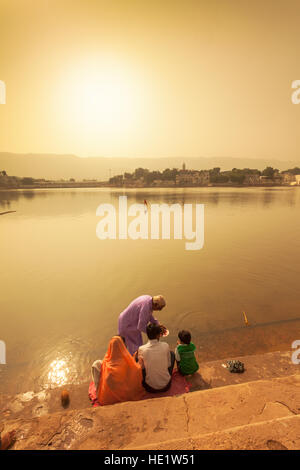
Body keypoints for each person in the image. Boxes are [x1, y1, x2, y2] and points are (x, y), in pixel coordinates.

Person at [91, 335, 145, 406]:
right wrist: (140, 362)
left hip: (107, 399)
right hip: (127, 395)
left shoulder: (106, 362)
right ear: (123, 346)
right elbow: (137, 370)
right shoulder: (128, 361)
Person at [138, 322, 175, 393]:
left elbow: (142, 368)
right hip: (166, 385)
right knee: (172, 354)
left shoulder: (141, 349)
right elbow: (168, 365)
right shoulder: (165, 345)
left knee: (140, 359)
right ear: (158, 335)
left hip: (150, 388)